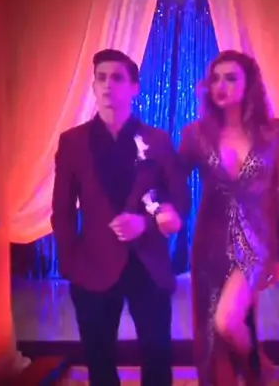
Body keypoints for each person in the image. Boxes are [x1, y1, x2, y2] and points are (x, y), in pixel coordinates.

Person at [51, 49, 188, 386]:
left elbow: (179, 199)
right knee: (99, 365)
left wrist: (147, 222)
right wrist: (70, 265)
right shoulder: (73, 142)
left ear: (134, 88)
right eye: (101, 78)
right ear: (93, 86)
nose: (108, 85)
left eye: (117, 78)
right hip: (92, 266)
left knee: (158, 362)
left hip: (148, 264)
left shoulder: (156, 140)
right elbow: (62, 211)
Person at [177, 50, 279, 385]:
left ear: (248, 84)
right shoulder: (196, 135)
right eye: (215, 79)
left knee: (226, 321)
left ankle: (258, 365)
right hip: (210, 243)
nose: (221, 85)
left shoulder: (274, 133)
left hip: (257, 241)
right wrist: (156, 205)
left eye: (230, 78)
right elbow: (172, 180)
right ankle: (253, 371)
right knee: (212, 335)